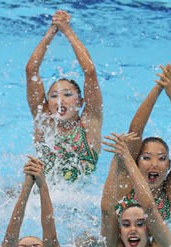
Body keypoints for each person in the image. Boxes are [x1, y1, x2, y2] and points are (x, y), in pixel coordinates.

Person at [26, 10, 103, 182]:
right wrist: (52, 31)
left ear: (80, 102)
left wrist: (67, 30)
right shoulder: (44, 121)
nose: (60, 100)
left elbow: (90, 71)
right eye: (53, 96)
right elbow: (31, 70)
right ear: (48, 103)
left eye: (68, 94)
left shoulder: (90, 124)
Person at [116, 64, 171, 221]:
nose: (154, 164)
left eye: (162, 158)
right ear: (135, 163)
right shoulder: (126, 183)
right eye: (147, 157)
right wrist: (158, 87)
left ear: (169, 164)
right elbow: (134, 132)